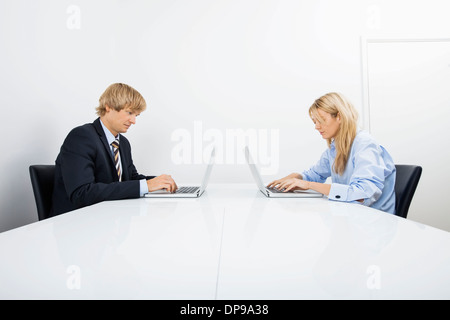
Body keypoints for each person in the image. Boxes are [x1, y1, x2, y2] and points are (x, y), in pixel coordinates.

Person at [50, 83, 178, 217]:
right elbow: (82, 193)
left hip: (108, 220)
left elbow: (130, 179)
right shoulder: (81, 137)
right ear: (109, 107)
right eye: (129, 112)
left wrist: (160, 182)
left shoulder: (122, 143)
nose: (133, 121)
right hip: (75, 223)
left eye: (136, 115)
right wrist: (147, 185)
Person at [267, 92, 396, 214]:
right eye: (314, 122)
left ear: (339, 116)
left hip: (374, 223)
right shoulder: (335, 149)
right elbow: (313, 175)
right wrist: (287, 181)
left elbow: (361, 195)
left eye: (321, 120)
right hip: (352, 217)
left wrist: (308, 185)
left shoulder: (364, 144)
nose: (316, 126)